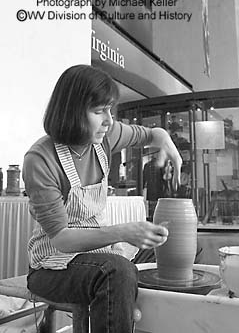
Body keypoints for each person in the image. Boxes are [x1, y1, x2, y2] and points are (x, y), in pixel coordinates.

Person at [23, 65, 183, 333]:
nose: (109, 120)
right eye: (99, 111)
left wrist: (167, 143)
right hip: (52, 265)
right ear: (71, 112)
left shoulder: (105, 138)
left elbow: (151, 135)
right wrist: (122, 231)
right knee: (116, 272)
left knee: (165, 245)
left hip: (98, 254)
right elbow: (61, 238)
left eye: (110, 109)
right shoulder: (41, 159)